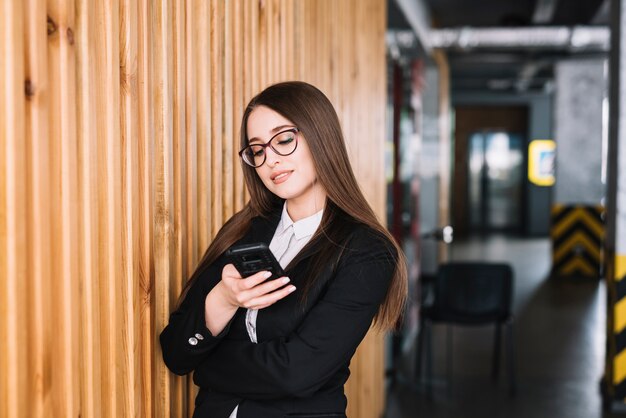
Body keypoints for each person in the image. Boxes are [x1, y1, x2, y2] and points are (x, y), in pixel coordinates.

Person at [160, 81, 408, 418]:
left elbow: (296, 373)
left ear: (321, 136)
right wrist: (223, 299)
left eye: (284, 140)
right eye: (258, 150)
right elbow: (176, 352)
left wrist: (206, 366)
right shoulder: (244, 230)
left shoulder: (367, 251)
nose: (270, 160)